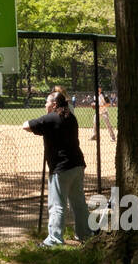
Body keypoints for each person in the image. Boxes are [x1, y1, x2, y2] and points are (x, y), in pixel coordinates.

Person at [23, 90, 90, 247]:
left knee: (57, 205)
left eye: (47, 102)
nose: (45, 104)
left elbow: (26, 126)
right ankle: (85, 234)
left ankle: (54, 240)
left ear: (54, 104)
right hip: (77, 164)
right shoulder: (70, 117)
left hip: (61, 168)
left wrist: (43, 121)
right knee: (79, 203)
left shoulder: (51, 118)